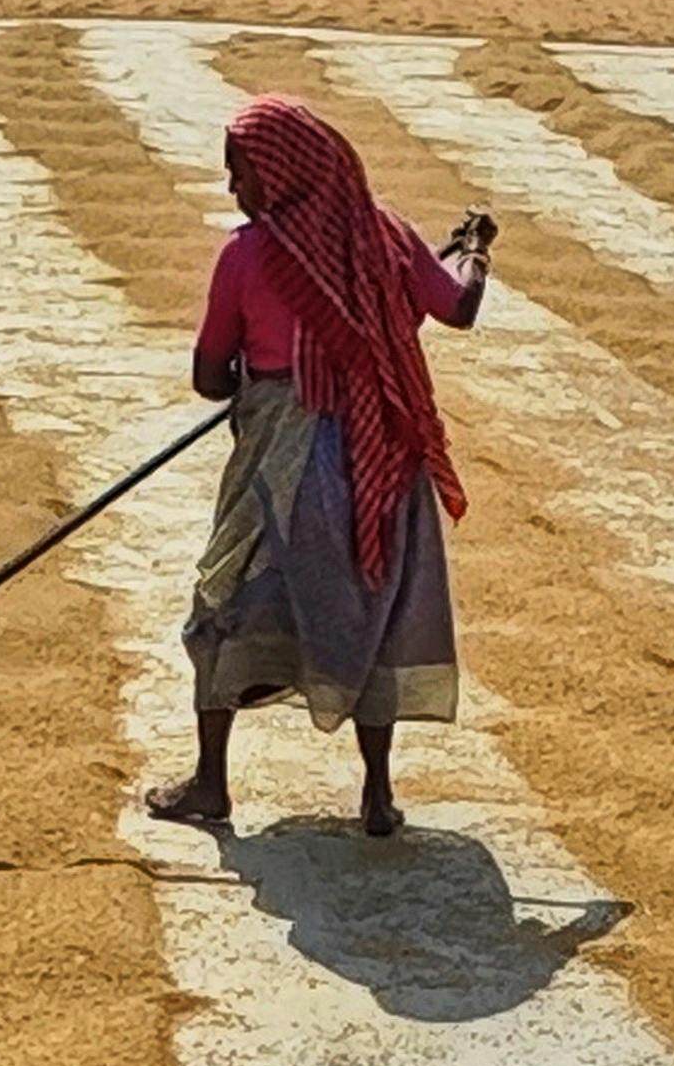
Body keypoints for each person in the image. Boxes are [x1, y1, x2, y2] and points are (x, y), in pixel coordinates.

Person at [162, 97, 494, 838]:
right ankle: (377, 795)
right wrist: (475, 252)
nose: (233, 190)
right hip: (384, 459)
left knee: (224, 603)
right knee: (374, 608)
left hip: (283, 467)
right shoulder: (386, 236)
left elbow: (210, 379)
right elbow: (459, 310)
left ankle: (210, 782)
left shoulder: (248, 255)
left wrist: (263, 370)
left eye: (240, 174)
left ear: (281, 173)